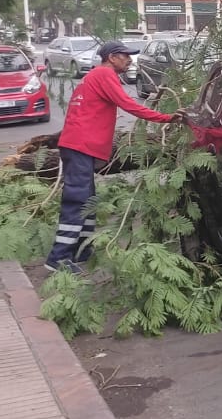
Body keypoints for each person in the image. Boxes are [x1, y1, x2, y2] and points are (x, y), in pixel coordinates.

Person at [46, 40, 184, 273]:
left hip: (80, 146)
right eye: (125, 55)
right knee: (77, 200)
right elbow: (129, 104)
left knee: (88, 199)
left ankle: (82, 250)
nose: (130, 60)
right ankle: (58, 258)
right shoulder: (104, 74)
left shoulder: (96, 76)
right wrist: (166, 118)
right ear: (111, 57)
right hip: (80, 146)